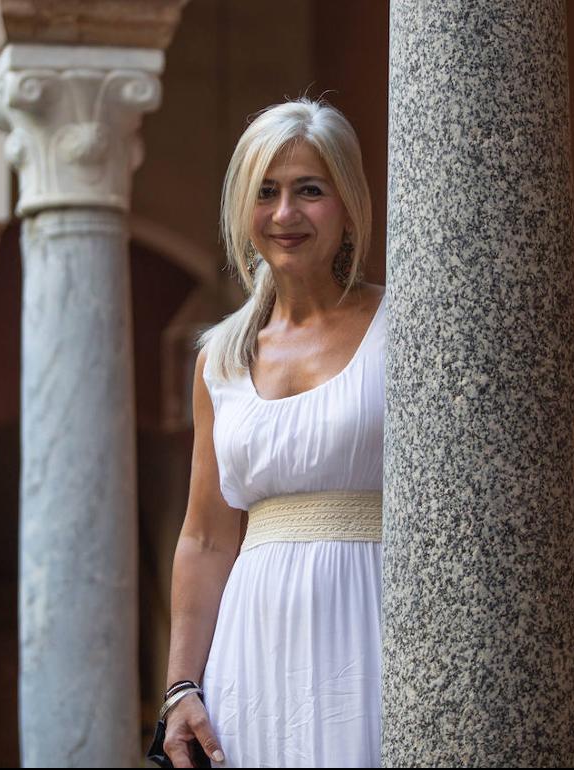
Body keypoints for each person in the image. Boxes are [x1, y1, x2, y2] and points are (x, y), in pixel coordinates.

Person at [159, 97, 386, 768]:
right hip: (249, 651)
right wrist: (181, 687)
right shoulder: (220, 359)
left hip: (371, 626)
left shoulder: (404, 326)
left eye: (309, 191)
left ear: (346, 204)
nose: (285, 214)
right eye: (267, 193)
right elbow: (203, 537)